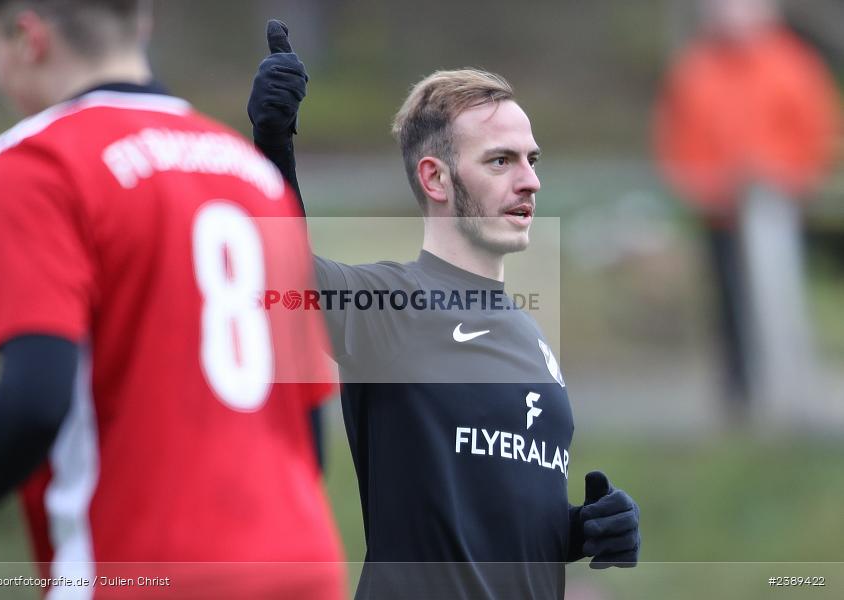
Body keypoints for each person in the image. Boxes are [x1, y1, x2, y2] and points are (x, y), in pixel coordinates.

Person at [0, 2, 344, 598]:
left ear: (28, 38)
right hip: (302, 566)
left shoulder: (36, 160)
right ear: (143, 24)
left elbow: (33, 399)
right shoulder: (253, 175)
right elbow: (308, 431)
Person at [248, 21, 641, 600]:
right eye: (501, 162)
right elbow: (280, 265)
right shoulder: (388, 307)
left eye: (533, 160)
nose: (531, 181)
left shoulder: (530, 334)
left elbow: (488, 517)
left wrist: (582, 532)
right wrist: (273, 149)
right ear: (435, 177)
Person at [653, 0, 839, 422]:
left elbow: (816, 131)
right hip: (720, 214)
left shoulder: (792, 63)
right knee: (728, 307)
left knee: (783, 304)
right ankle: (740, 406)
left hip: (779, 214)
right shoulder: (696, 67)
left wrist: (785, 175)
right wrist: (703, 184)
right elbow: (677, 137)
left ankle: (793, 396)